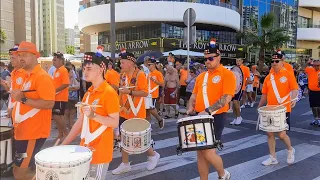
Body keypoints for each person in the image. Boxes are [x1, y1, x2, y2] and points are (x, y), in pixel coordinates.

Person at [62, 52, 119, 179]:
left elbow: (114, 123)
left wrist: (94, 116)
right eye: (83, 68)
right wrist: (64, 144)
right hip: (85, 148)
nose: (84, 72)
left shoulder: (109, 93)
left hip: (100, 151)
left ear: (100, 70)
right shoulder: (89, 93)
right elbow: (80, 122)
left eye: (89, 68)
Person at [186, 40, 235, 180]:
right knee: (200, 153)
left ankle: (223, 173)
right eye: (206, 59)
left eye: (211, 58)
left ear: (219, 57)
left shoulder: (227, 74)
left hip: (216, 117)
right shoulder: (201, 76)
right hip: (199, 116)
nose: (207, 61)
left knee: (208, 153)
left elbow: (226, 98)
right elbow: (194, 95)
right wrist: (190, 107)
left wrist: (207, 111)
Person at [10, 41, 55, 180]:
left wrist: (23, 99)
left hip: (32, 133)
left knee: (21, 172)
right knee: (19, 170)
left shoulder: (42, 77)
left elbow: (49, 103)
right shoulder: (23, 75)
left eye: (25, 55)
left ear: (36, 56)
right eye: (20, 55)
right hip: (22, 131)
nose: (21, 58)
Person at [112, 50, 160, 175]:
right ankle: (125, 164)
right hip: (123, 111)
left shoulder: (140, 75)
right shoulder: (122, 75)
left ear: (130, 63)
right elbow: (121, 93)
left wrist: (130, 92)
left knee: (138, 139)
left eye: (122, 62)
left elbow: (145, 92)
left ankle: (153, 155)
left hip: (136, 112)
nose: (120, 65)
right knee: (123, 139)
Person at [257, 52, 298, 166]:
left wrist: (293, 99)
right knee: (269, 134)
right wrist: (260, 106)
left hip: (284, 109)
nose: (274, 63)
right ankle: (272, 157)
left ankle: (290, 150)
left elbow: (294, 89)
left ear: (282, 62)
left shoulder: (288, 74)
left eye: (277, 61)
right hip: (270, 109)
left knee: (281, 135)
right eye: (272, 61)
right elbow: (264, 94)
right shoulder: (268, 78)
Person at [52, 52, 70, 140]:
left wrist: (55, 91)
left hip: (61, 97)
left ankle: (65, 132)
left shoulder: (63, 70)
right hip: (55, 97)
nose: (53, 61)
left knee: (58, 116)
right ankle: (61, 133)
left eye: (55, 60)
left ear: (60, 60)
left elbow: (66, 83)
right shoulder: (56, 70)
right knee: (56, 116)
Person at [146, 58, 165, 129]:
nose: (148, 66)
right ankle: (148, 126)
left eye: (150, 65)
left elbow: (162, 84)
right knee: (147, 110)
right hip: (147, 94)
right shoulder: (149, 74)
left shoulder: (158, 73)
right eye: (148, 65)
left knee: (151, 109)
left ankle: (159, 119)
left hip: (153, 94)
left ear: (154, 65)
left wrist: (155, 80)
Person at [230, 58, 250, 125]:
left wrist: (244, 85)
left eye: (239, 61)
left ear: (242, 61)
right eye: (236, 61)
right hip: (233, 88)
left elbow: (248, 78)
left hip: (240, 87)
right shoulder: (233, 68)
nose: (237, 62)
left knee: (236, 102)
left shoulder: (245, 68)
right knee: (233, 104)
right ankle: (235, 118)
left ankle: (239, 117)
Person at [305, 59, 320, 126]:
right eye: (314, 65)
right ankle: (316, 119)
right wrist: (308, 63)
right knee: (313, 106)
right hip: (312, 92)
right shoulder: (310, 70)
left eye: (318, 65)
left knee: (319, 106)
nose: (316, 67)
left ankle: (319, 119)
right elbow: (303, 68)